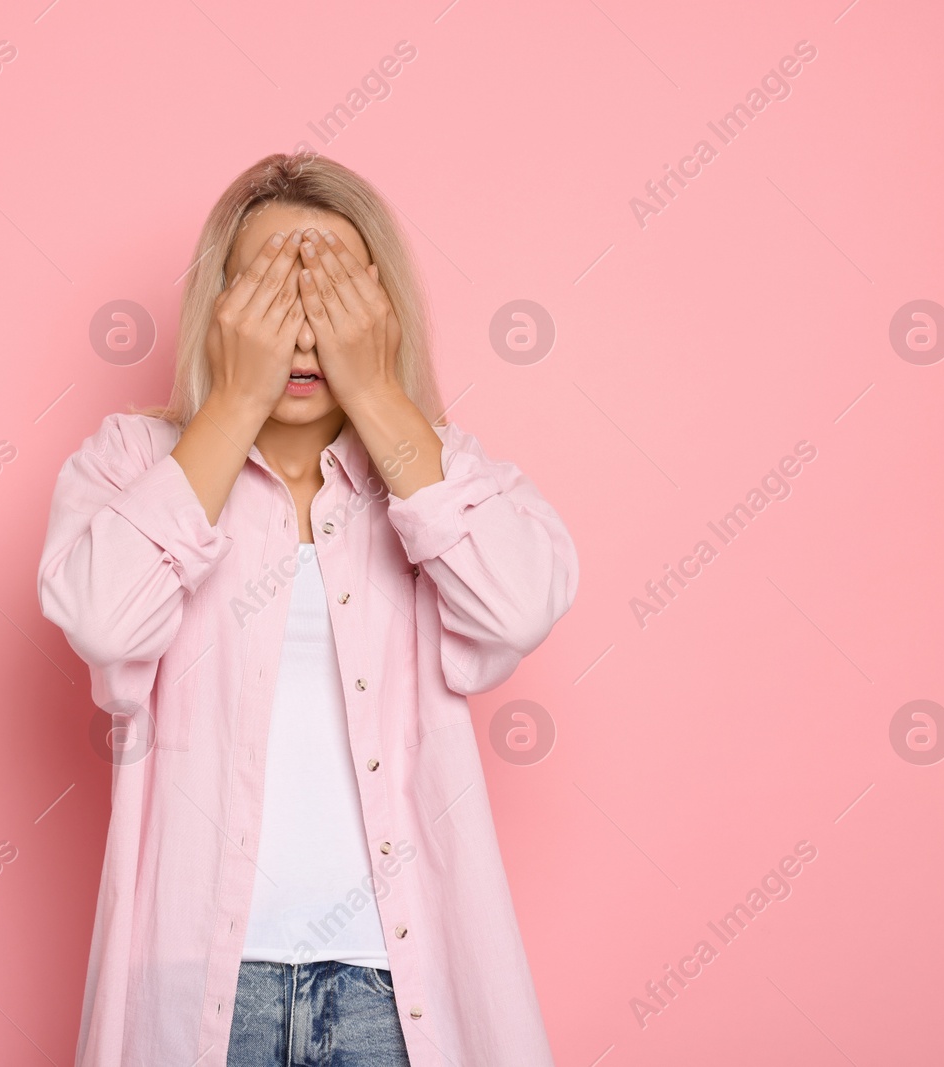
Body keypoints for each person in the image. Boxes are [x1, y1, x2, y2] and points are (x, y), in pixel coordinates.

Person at [37, 152, 577, 1067]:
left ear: (380, 313)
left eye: (329, 299)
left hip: (396, 989)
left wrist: (374, 391)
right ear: (220, 308)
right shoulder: (133, 463)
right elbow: (100, 618)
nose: (301, 333)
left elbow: (519, 605)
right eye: (269, 297)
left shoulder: (441, 474)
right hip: (195, 986)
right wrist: (236, 398)